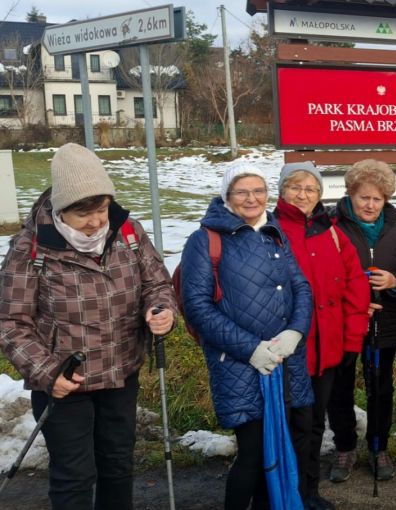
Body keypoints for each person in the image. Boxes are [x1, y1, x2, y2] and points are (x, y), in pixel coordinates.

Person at [0, 143, 176, 510]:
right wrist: (48, 372)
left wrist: (161, 309)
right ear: (62, 210)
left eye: (101, 209)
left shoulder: (128, 232)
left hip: (120, 373)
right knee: (74, 476)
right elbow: (11, 322)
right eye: (84, 214)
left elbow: (156, 284)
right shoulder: (30, 248)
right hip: (65, 384)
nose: (96, 221)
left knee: (117, 467)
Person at [180, 163, 314, 509]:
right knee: (253, 453)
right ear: (228, 196)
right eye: (242, 191)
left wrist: (296, 331)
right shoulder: (204, 241)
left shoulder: (275, 233)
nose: (251, 198)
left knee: (279, 449)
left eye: (258, 190)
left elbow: (301, 286)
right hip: (240, 364)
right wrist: (252, 349)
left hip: (284, 359)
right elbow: (196, 306)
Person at [274, 162, 370, 509]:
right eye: (295, 187)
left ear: (319, 194)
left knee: (314, 424)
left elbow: (355, 284)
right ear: (282, 191)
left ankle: (307, 492)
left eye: (310, 188)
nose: (303, 194)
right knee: (285, 424)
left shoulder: (330, 231)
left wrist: (352, 339)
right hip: (285, 349)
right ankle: (280, 491)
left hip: (326, 347)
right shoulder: (270, 229)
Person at [326, 159, 396, 483]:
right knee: (340, 388)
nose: (370, 204)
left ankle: (379, 447)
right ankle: (345, 446)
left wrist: (395, 282)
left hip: (385, 323)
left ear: (386, 200)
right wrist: (353, 302)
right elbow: (323, 277)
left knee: (380, 387)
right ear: (351, 195)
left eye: (377, 198)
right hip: (342, 324)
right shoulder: (333, 229)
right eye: (363, 197)